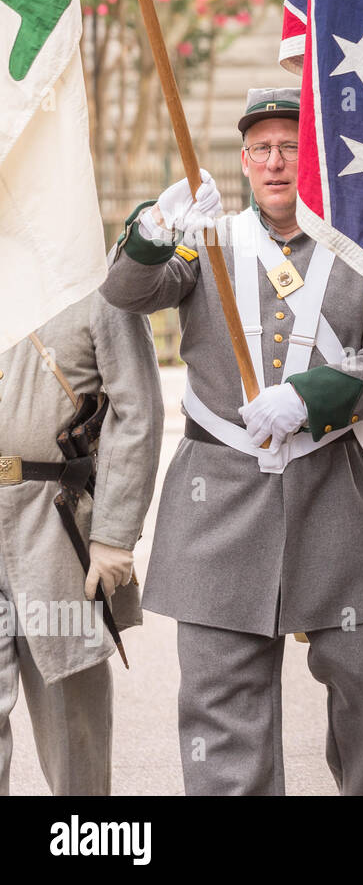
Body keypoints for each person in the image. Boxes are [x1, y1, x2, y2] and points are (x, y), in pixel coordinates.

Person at [99, 88, 363, 795]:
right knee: (221, 705)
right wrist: (155, 225)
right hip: (221, 501)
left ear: (316, 161)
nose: (277, 162)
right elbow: (125, 291)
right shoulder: (207, 240)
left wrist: (311, 397)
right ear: (245, 162)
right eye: (263, 149)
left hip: (334, 492)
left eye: (292, 148)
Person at [0, 294, 163, 795]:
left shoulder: (94, 285)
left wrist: (114, 534)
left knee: (72, 715)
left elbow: (137, 411)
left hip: (52, 518)